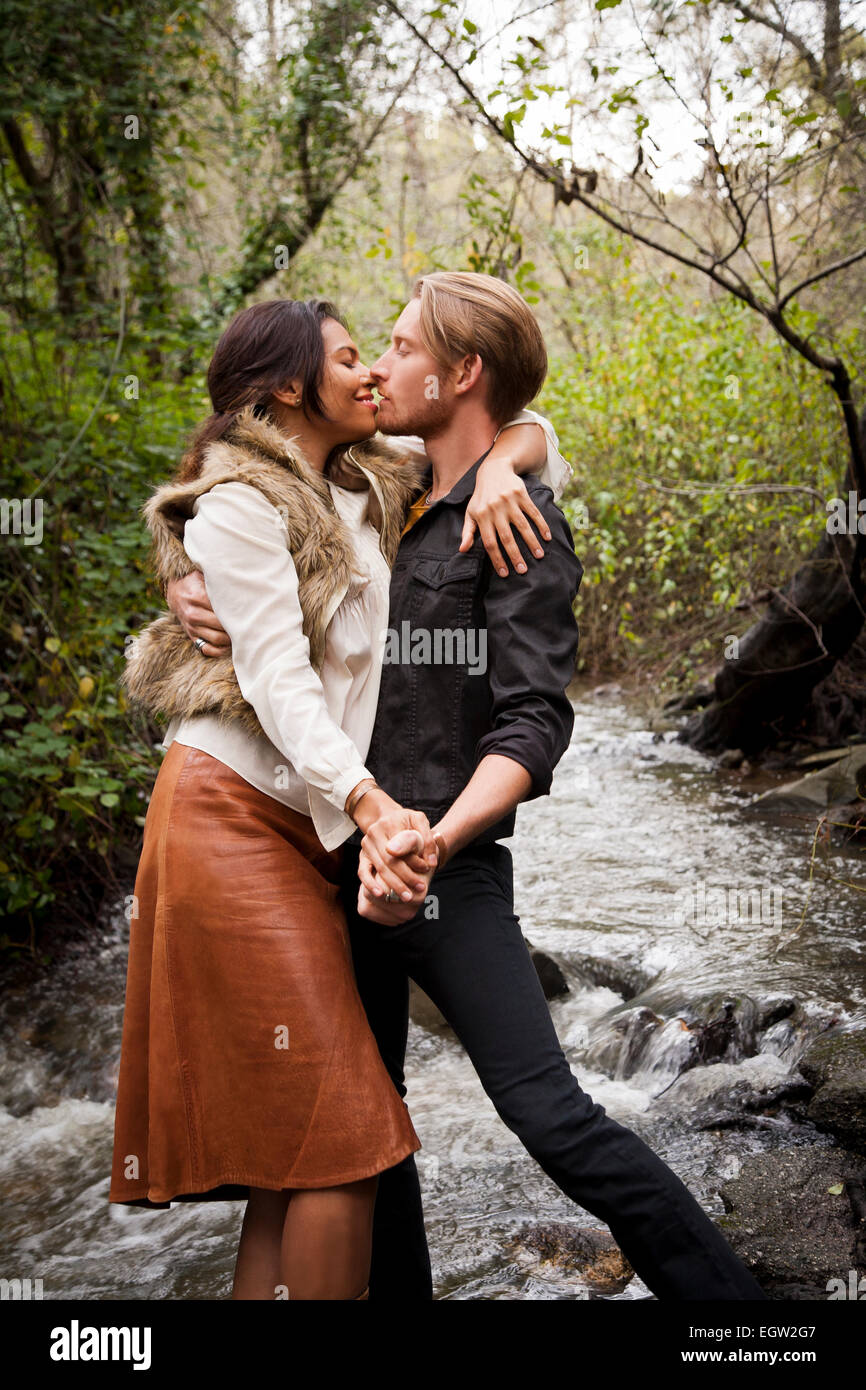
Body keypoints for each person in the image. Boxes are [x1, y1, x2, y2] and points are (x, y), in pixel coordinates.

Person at [172, 272, 769, 1302]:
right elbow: (248, 523)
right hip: (335, 862)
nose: (379, 366)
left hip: (445, 873)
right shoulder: (374, 495)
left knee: (551, 1114)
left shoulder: (517, 518)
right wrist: (190, 576)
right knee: (369, 1134)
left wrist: (433, 842)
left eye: (401, 347)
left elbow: (534, 724)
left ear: (461, 375)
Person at [110, 293, 568, 1302]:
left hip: (310, 830)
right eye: (353, 355)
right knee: (346, 1134)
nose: (372, 372)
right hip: (231, 817)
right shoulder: (239, 503)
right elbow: (277, 682)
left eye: (385, 352)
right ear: (287, 386)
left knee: (300, 1152)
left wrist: (508, 457)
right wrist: (368, 803)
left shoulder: (370, 481)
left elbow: (508, 430)